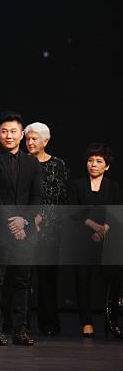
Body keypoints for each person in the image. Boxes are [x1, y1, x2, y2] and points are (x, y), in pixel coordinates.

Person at [0, 112, 43, 347]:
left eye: (13, 131)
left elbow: (37, 196)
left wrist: (23, 221)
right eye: (4, 131)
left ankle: (20, 330)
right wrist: (12, 222)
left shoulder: (32, 163)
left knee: (22, 282)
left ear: (22, 134)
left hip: (25, 232)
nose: (8, 135)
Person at [68, 143, 122, 338]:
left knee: (112, 283)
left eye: (99, 161)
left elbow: (116, 211)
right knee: (82, 282)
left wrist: (103, 229)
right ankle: (86, 323)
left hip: (108, 241)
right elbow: (73, 212)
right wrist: (93, 226)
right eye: (91, 160)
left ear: (106, 166)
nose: (93, 164)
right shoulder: (77, 185)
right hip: (82, 241)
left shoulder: (113, 186)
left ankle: (111, 321)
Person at [24, 122, 68, 336]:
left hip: (50, 230)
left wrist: (42, 218)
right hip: (24, 226)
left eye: (34, 139)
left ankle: (49, 323)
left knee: (47, 278)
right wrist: (30, 218)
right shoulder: (21, 162)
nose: (30, 142)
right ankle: (20, 323)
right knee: (23, 277)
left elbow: (59, 196)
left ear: (45, 141)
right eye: (28, 139)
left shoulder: (57, 164)